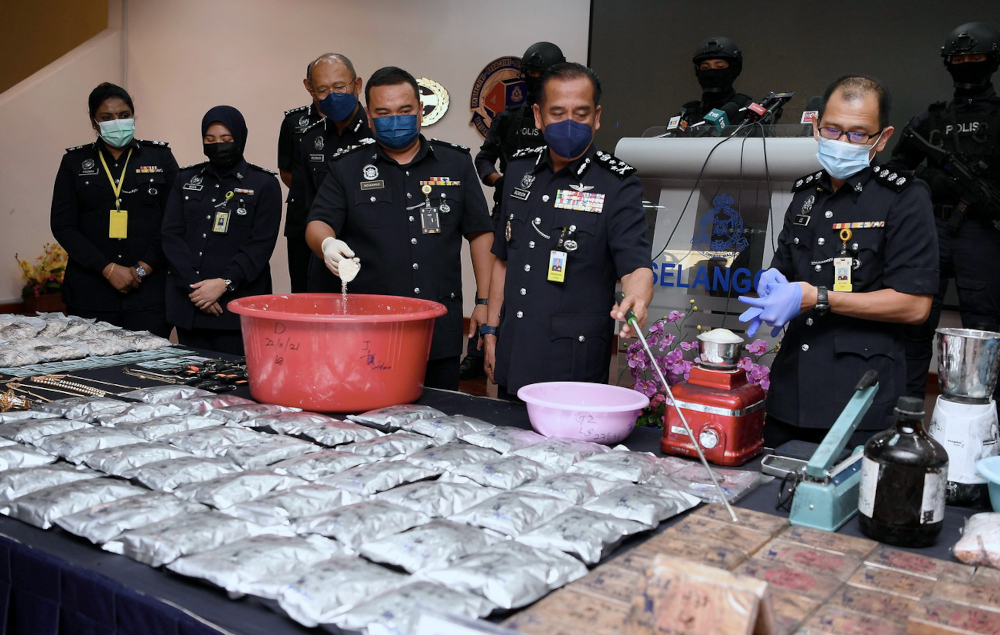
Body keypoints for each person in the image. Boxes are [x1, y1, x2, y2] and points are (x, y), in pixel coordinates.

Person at [738, 75, 938, 447]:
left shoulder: (903, 197)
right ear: (815, 126)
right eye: (832, 129)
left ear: (883, 137)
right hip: (790, 391)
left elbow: (914, 305)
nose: (842, 142)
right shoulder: (805, 194)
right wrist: (770, 279)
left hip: (859, 399)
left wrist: (817, 296)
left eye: (858, 134)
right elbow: (786, 267)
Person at [305, 66, 494, 390]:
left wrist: (484, 302)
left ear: (421, 110)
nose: (395, 119)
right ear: (369, 114)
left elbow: (480, 232)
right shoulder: (347, 166)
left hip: (438, 326)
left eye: (405, 111)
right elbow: (317, 222)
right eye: (384, 112)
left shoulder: (455, 163)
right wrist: (326, 245)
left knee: (439, 422)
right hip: (369, 329)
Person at [482, 62, 654, 400]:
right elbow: (503, 258)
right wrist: (490, 331)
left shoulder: (616, 183)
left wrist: (637, 297)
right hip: (516, 350)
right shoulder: (518, 172)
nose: (569, 123)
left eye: (581, 113)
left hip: (573, 362)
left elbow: (635, 265)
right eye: (557, 112)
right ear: (538, 115)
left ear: (597, 116)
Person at [890, 22, 1000, 402]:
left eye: (976, 58)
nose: (967, 64)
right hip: (933, 228)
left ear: (993, 61)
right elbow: (895, 171)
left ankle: (982, 414)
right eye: (959, 58)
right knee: (915, 323)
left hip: (983, 230)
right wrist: (927, 182)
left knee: (983, 327)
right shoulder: (931, 120)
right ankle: (906, 412)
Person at [462, 41, 566, 380]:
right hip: (508, 213)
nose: (535, 80)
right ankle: (479, 354)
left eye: (542, 74)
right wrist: (500, 180)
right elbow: (484, 158)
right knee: (495, 283)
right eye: (530, 75)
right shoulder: (509, 117)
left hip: (554, 215)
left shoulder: (563, 118)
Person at [50, 82, 178, 337]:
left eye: (123, 115)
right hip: (91, 291)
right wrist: (107, 269)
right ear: (94, 122)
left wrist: (142, 268)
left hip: (149, 291)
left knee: (148, 371)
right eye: (107, 117)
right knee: (93, 372)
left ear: (133, 116)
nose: (117, 122)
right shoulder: (74, 162)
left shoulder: (160, 157)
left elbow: (175, 221)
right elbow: (63, 225)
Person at [161, 106, 282, 355]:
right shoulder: (186, 179)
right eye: (210, 139)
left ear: (240, 138)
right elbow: (171, 235)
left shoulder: (264, 184)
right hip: (190, 303)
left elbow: (260, 245)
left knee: (236, 386)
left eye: (226, 139)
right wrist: (197, 289)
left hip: (237, 306)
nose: (218, 145)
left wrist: (224, 283)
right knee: (189, 385)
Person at [277, 60, 326, 292]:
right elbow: (286, 172)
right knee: (304, 289)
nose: (331, 93)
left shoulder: (363, 123)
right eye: (323, 87)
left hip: (351, 220)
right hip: (302, 216)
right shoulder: (294, 122)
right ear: (309, 86)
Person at [667, 36, 753, 135]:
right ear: (697, 71)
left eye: (720, 67)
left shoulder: (745, 110)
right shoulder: (688, 113)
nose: (712, 73)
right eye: (705, 67)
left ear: (735, 69)